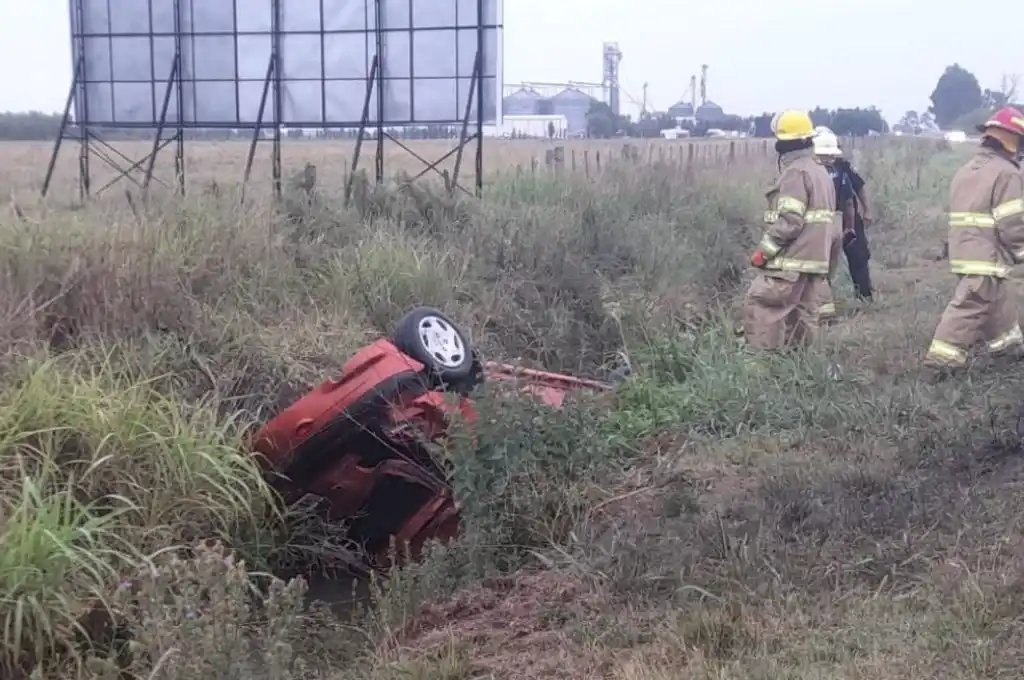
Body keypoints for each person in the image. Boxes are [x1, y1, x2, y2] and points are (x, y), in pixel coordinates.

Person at [922, 106, 1024, 378]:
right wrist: (1020, 250)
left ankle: (1008, 348)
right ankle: (940, 363)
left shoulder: (967, 169)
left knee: (998, 299)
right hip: (986, 254)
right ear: (1012, 140)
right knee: (969, 306)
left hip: (965, 250)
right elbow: (1012, 222)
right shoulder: (1007, 173)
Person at [742, 110, 840, 351]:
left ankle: (761, 364)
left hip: (791, 260)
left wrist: (764, 252)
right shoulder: (819, 170)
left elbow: (790, 221)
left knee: (763, 307)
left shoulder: (796, 172)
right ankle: (802, 365)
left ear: (783, 143)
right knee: (802, 315)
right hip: (813, 260)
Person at [813, 128, 875, 322]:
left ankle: (864, 296)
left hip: (845, 219)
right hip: (828, 220)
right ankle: (823, 305)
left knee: (857, 257)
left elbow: (857, 189)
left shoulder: (842, 167)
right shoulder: (810, 170)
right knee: (823, 265)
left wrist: (867, 211)